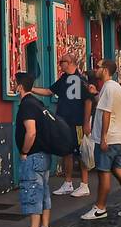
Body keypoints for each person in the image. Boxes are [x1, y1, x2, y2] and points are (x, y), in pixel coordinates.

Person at [80, 59, 121, 221]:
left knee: (103, 174)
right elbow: (103, 106)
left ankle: (100, 208)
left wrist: (103, 138)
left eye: (98, 67)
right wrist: (95, 93)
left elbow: (106, 114)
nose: (96, 70)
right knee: (118, 170)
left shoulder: (108, 88)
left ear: (106, 70)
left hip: (109, 139)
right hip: (117, 138)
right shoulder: (112, 87)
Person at [35, 55, 94, 199]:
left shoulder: (81, 80)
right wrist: (31, 89)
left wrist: (86, 122)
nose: (60, 64)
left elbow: (88, 101)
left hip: (78, 122)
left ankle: (84, 184)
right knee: (66, 151)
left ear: (71, 63)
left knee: (81, 152)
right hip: (64, 122)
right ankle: (68, 183)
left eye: (62, 62)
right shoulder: (63, 79)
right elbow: (49, 91)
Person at [13, 72, 53, 227]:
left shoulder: (26, 105)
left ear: (20, 86)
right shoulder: (38, 103)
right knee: (44, 192)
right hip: (44, 154)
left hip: (34, 155)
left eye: (15, 83)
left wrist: (24, 151)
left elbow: (31, 131)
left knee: (33, 191)